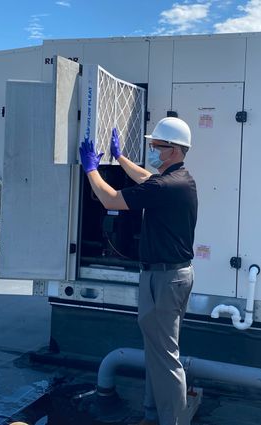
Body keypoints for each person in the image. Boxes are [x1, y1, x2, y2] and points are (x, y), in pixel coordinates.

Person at [79, 117, 198, 425]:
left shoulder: (167, 185)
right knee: (158, 352)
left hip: (164, 279)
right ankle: (154, 414)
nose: (153, 150)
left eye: (156, 146)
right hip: (169, 276)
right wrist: (120, 159)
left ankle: (171, 420)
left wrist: (91, 168)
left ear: (172, 149)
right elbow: (147, 179)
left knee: (165, 357)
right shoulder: (178, 180)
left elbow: (111, 199)